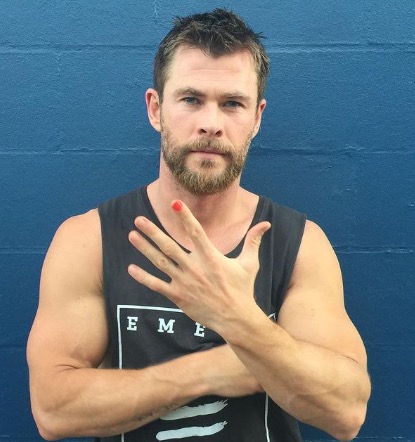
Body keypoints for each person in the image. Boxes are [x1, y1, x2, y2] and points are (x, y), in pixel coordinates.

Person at [27, 8, 371, 442]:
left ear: (257, 118)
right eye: (191, 99)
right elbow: (53, 410)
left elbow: (347, 412)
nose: (211, 124)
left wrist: (241, 322)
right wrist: (209, 370)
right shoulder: (88, 240)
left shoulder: (297, 244)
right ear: (156, 109)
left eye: (232, 104)